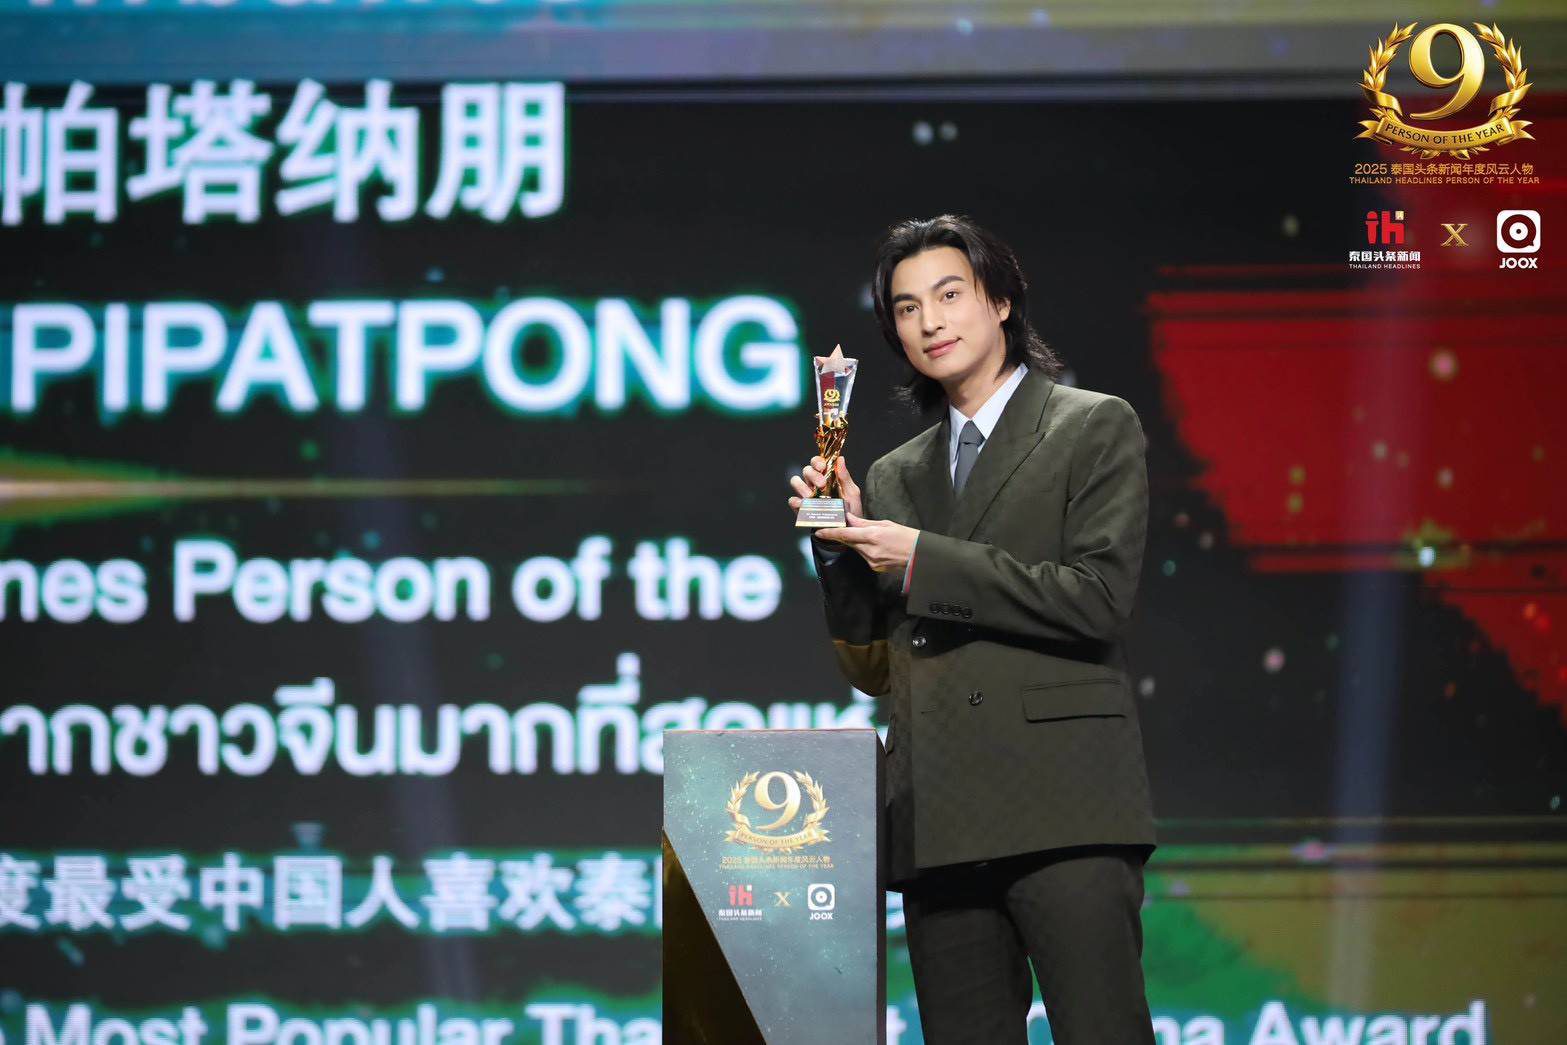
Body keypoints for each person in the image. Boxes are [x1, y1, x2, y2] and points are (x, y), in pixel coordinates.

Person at [788, 214, 1157, 1044]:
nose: (930, 321)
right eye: (906, 307)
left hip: (1065, 806)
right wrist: (840, 549)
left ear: (999, 301)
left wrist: (922, 557)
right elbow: (876, 668)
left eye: (949, 295)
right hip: (939, 816)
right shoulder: (894, 473)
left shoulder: (1090, 424)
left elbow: (1098, 598)